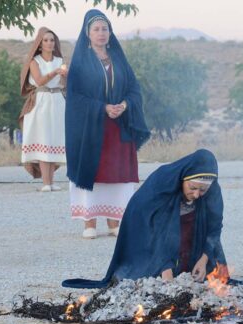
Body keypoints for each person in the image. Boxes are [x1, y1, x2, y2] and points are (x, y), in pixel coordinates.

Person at [63, 149, 228, 289]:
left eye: (203, 190)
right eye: (193, 188)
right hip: (150, 240)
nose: (197, 194)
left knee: (213, 277)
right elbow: (154, 228)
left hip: (188, 241)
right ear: (184, 177)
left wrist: (204, 259)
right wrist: (165, 268)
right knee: (140, 277)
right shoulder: (163, 181)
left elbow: (214, 227)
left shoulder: (212, 190)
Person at [65, 10, 149, 239]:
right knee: (93, 171)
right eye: (96, 29)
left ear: (110, 33)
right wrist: (102, 108)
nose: (101, 33)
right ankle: (89, 222)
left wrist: (124, 104)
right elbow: (75, 97)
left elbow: (134, 89)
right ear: (87, 33)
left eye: (105, 29)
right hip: (91, 129)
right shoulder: (80, 63)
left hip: (118, 127)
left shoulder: (119, 60)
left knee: (116, 172)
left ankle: (115, 221)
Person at [19, 27, 67, 192]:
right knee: (43, 138)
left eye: (52, 40)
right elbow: (39, 81)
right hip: (41, 101)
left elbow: (63, 85)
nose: (49, 43)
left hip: (57, 100)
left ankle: (51, 182)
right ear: (40, 44)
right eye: (45, 40)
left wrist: (65, 76)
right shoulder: (35, 61)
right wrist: (55, 72)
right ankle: (46, 183)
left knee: (54, 139)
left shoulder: (60, 61)